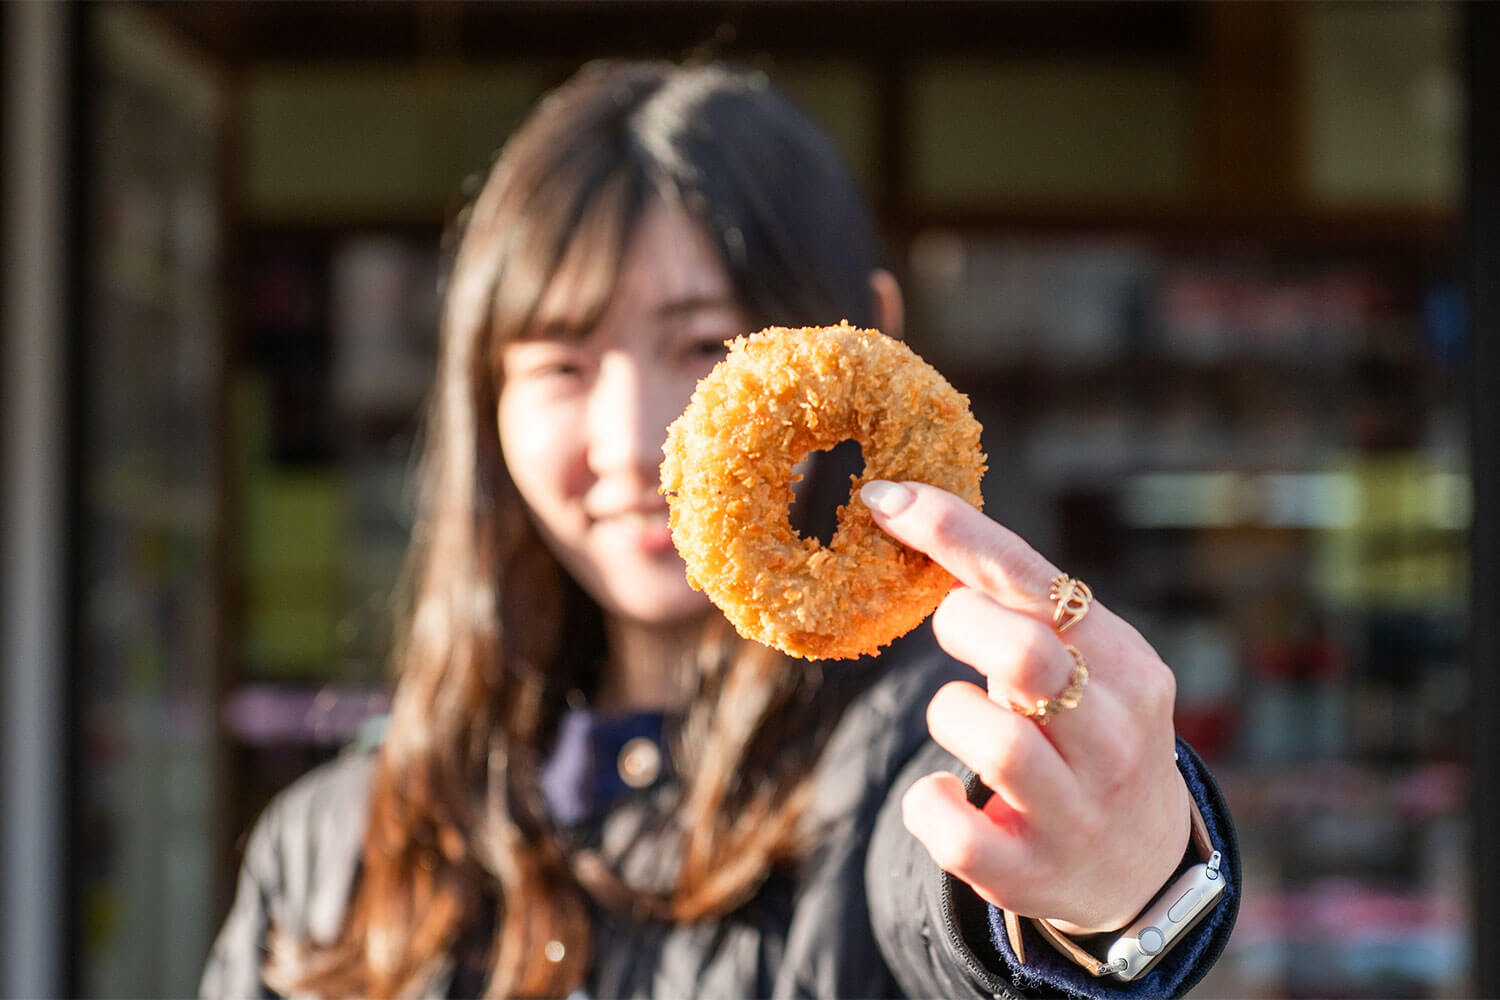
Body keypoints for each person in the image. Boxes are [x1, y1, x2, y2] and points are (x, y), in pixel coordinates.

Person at [201, 60, 1237, 1000]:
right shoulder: (331, 844)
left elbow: (952, 889)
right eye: (561, 364)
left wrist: (1113, 889)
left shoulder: (918, 757)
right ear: (486, 395)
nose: (634, 439)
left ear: (864, 338)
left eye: (702, 342)